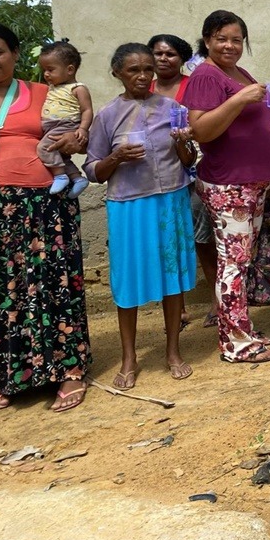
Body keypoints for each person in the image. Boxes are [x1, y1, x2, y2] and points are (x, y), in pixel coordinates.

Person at [0, 22, 90, 412]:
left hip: (46, 204)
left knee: (55, 285)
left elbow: (75, 129)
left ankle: (69, 370)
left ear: (15, 53)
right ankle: (11, 376)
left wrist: (77, 139)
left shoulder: (45, 92)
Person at [85, 43, 197, 388]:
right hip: (129, 204)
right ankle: (129, 357)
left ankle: (173, 351)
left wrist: (182, 142)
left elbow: (189, 159)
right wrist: (117, 157)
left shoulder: (172, 107)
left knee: (173, 276)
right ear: (117, 73)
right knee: (128, 281)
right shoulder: (107, 115)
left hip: (171, 200)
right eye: (134, 70)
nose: (144, 76)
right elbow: (93, 170)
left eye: (148, 69)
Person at [181, 10, 270, 363]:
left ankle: (242, 329)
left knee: (241, 261)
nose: (230, 45)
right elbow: (202, 130)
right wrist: (239, 99)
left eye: (237, 39)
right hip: (229, 184)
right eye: (222, 38)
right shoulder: (207, 75)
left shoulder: (236, 72)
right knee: (233, 264)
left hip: (251, 182)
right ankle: (236, 343)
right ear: (207, 40)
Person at [149, 32, 215, 329]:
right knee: (168, 241)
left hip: (196, 170)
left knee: (203, 239)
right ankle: (179, 309)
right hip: (157, 177)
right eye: (158, 53)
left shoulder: (193, 86)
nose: (163, 59)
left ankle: (217, 301)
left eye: (170, 54)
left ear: (183, 59)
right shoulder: (143, 90)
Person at [37, 40, 93, 198]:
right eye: (44, 70)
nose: (46, 74)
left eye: (50, 70)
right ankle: (77, 178)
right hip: (52, 126)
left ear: (70, 70)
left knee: (44, 148)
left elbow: (87, 110)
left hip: (65, 125)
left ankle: (60, 176)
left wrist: (82, 129)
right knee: (60, 155)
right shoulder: (53, 87)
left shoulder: (78, 88)